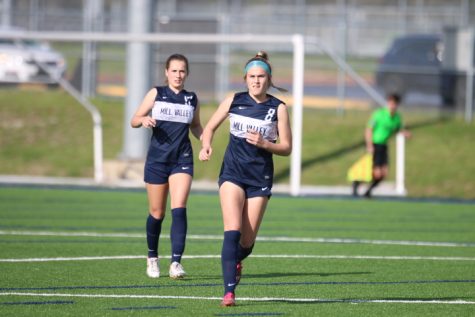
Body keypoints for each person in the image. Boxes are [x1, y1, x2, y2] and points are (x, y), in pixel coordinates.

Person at [199, 51, 292, 306]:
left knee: (247, 241)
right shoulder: (233, 100)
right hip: (232, 174)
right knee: (232, 231)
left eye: (261, 76)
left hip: (259, 178)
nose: (256, 81)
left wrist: (265, 143)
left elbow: (286, 147)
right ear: (245, 78)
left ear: (269, 79)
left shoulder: (278, 108)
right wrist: (206, 145)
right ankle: (229, 292)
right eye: (251, 76)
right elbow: (209, 127)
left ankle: (238, 259)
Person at [130, 53, 203, 279]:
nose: (178, 75)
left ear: (187, 73)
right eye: (174, 71)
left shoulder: (192, 99)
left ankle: (176, 263)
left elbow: (196, 126)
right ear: (166, 72)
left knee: (179, 208)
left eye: (182, 71)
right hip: (157, 160)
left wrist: (206, 142)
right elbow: (134, 119)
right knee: (157, 212)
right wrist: (143, 120)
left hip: (182, 159)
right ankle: (152, 257)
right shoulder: (156, 93)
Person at [352, 93, 411, 198]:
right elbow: (369, 129)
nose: (392, 106)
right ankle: (357, 182)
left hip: (384, 146)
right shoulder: (379, 114)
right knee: (376, 172)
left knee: (384, 173)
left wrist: (405, 133)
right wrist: (369, 145)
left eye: (394, 104)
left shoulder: (397, 117)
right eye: (390, 103)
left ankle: (368, 191)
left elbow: (398, 129)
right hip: (375, 144)